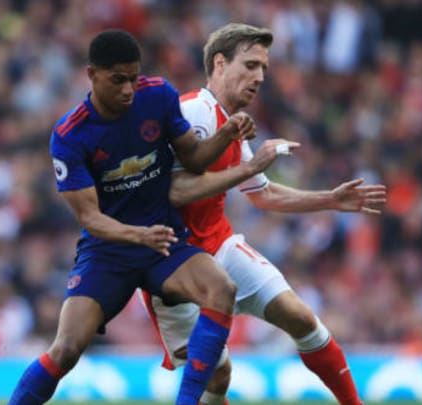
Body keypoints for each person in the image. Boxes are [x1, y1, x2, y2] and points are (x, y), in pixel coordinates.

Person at [6, 29, 289, 405]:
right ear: (92, 75)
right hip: (109, 251)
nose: (128, 89)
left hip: (165, 242)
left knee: (221, 289)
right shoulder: (70, 135)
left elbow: (194, 160)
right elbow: (90, 218)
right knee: (67, 349)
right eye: (117, 80)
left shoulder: (157, 96)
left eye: (133, 78)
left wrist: (226, 135)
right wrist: (138, 236)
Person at [142, 23, 387, 405]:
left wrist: (330, 199)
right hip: (173, 263)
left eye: (264, 70)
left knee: (301, 318)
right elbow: (169, 193)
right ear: (219, 64)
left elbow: (264, 194)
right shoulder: (195, 112)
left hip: (219, 246)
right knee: (217, 375)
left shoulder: (232, 125)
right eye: (251, 65)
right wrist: (250, 167)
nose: (259, 77)